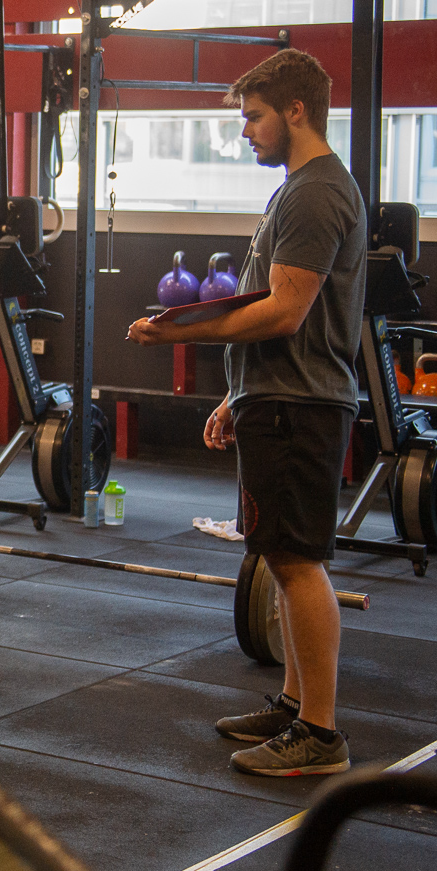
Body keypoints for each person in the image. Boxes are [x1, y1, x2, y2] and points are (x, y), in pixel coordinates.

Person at [128, 48, 365, 777]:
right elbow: (287, 306)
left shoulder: (316, 193)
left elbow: (287, 311)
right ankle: (296, 705)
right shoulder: (296, 191)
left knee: (298, 562)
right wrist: (240, 391)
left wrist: (179, 332)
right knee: (278, 553)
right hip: (279, 398)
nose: (246, 133)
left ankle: (320, 735)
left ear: (296, 110)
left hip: (302, 405)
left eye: (254, 117)